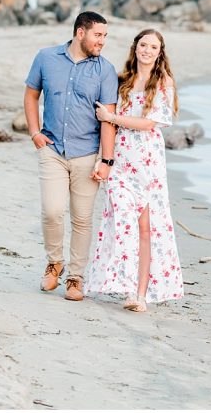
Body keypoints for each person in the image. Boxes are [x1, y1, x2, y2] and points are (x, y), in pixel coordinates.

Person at [83, 28, 184, 312]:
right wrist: (104, 159)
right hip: (120, 160)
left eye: (153, 46)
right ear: (135, 47)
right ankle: (124, 286)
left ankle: (138, 294)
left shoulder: (163, 81)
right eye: (143, 45)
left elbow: (151, 123)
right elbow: (107, 125)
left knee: (144, 229)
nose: (147, 50)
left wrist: (112, 116)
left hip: (148, 163)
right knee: (121, 224)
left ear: (159, 51)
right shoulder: (122, 80)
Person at [25, 11, 118, 301]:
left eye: (104, 36)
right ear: (81, 33)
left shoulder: (105, 70)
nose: (102, 41)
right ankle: (54, 263)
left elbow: (109, 119)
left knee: (81, 218)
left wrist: (106, 160)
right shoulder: (46, 57)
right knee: (52, 211)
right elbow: (31, 95)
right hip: (52, 149)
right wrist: (34, 132)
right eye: (98, 35)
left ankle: (76, 278)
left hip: (87, 154)